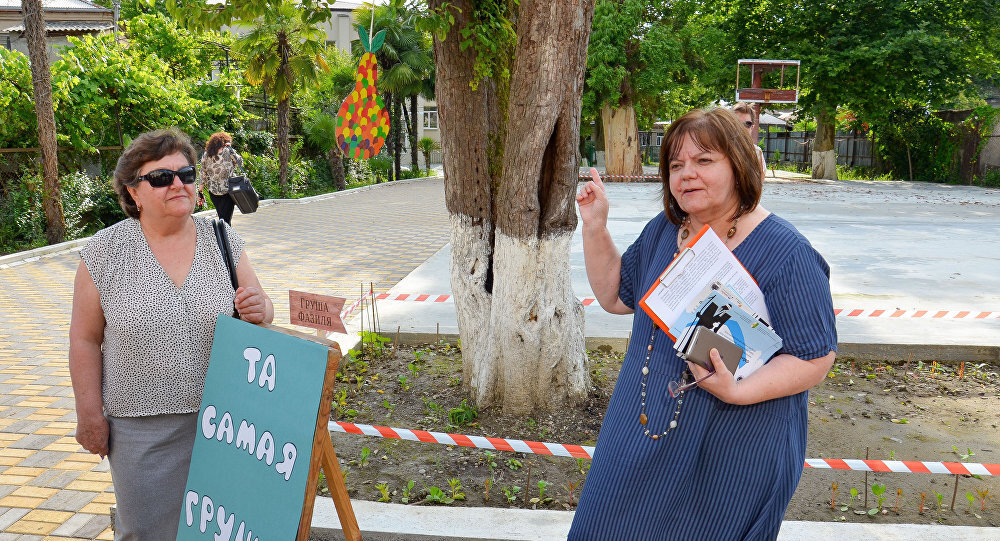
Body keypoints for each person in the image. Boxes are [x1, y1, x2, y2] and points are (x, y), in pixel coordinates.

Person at [569, 107, 837, 540]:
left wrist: (739, 389)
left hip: (731, 451)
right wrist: (595, 226)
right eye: (676, 165)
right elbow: (616, 295)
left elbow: (815, 358)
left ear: (739, 165)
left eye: (703, 161)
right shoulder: (666, 229)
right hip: (639, 432)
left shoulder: (787, 252)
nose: (686, 175)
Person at [69, 128, 274, 539]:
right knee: (147, 531)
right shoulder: (105, 251)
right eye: (161, 177)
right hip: (142, 429)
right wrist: (89, 415)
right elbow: (85, 339)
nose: (178, 183)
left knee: (219, 531)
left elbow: (262, 308)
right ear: (133, 192)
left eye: (186, 173)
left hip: (227, 424)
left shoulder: (222, 238)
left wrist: (260, 308)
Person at [199, 131, 244, 225]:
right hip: (229, 190)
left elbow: (202, 173)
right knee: (226, 219)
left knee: (222, 217)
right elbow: (239, 162)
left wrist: (200, 191)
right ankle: (224, 237)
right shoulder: (228, 152)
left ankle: (223, 236)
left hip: (213, 191)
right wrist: (231, 149)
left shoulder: (206, 155)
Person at [733, 101, 768, 180]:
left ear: (752, 127)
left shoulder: (757, 153)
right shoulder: (720, 150)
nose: (742, 128)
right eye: (737, 123)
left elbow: (759, 184)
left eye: (747, 124)